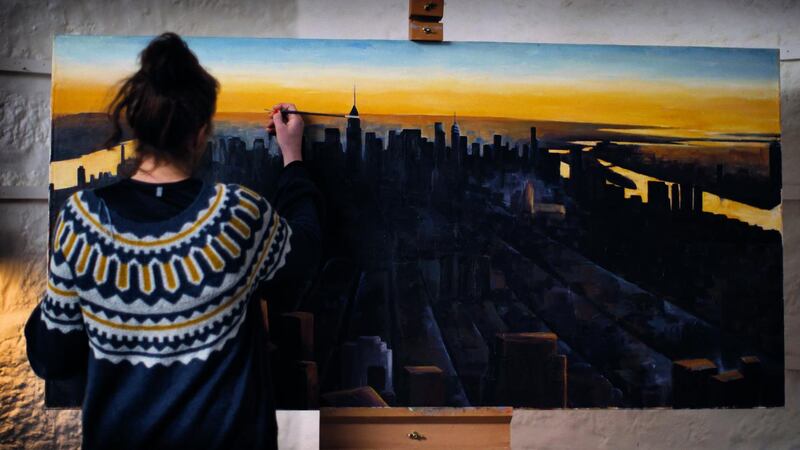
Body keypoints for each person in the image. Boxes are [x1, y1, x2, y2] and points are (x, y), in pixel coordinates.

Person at [25, 32, 321, 449]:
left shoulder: (82, 221)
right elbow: (305, 252)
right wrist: (292, 156)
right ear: (200, 133)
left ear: (136, 128)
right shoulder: (236, 216)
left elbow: (52, 357)